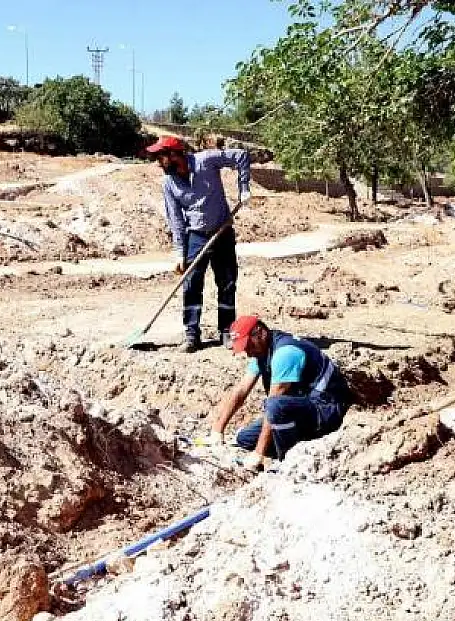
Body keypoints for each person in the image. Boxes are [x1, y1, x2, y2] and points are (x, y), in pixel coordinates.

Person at [203, 315, 351, 470]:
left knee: (275, 405)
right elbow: (241, 390)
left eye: (248, 345)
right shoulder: (261, 351)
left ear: (261, 333)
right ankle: (299, 440)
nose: (247, 352)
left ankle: (287, 460)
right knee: (244, 439)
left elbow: (275, 402)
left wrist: (258, 454)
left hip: (326, 408)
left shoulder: (285, 353)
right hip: (304, 406)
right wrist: (217, 430)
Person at [146, 135, 251, 353]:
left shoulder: (206, 161)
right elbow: (175, 219)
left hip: (222, 233)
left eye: (161, 157)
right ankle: (192, 334)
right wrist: (179, 252)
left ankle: (226, 331)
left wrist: (243, 188)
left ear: (174, 155)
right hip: (195, 236)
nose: (158, 162)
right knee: (191, 284)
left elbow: (241, 156)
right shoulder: (169, 183)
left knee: (227, 283)